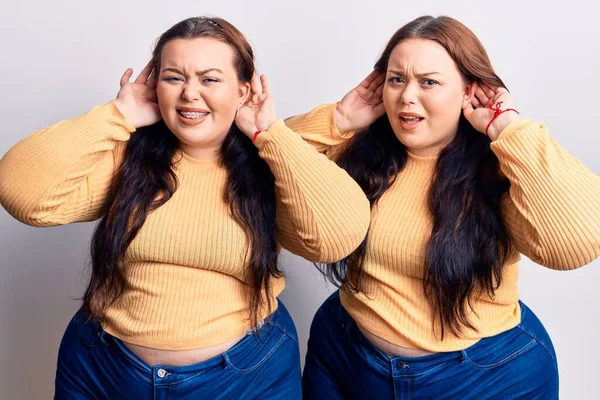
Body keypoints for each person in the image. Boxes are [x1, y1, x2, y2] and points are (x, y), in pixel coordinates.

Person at [0, 16, 370, 399]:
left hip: (243, 379)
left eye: (209, 79)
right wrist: (119, 115)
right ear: (154, 86)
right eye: (174, 77)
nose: (190, 94)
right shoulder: (128, 158)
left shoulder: (270, 163)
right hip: (105, 370)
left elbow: (337, 238)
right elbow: (22, 194)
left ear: (244, 90)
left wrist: (270, 133)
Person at [285, 15, 600, 399]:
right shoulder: (357, 150)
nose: (406, 97)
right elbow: (264, 163)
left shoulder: (502, 170)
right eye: (396, 78)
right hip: (347, 360)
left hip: (484, 378)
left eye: (429, 82)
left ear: (470, 92)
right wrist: (339, 119)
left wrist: (510, 129)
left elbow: (577, 243)